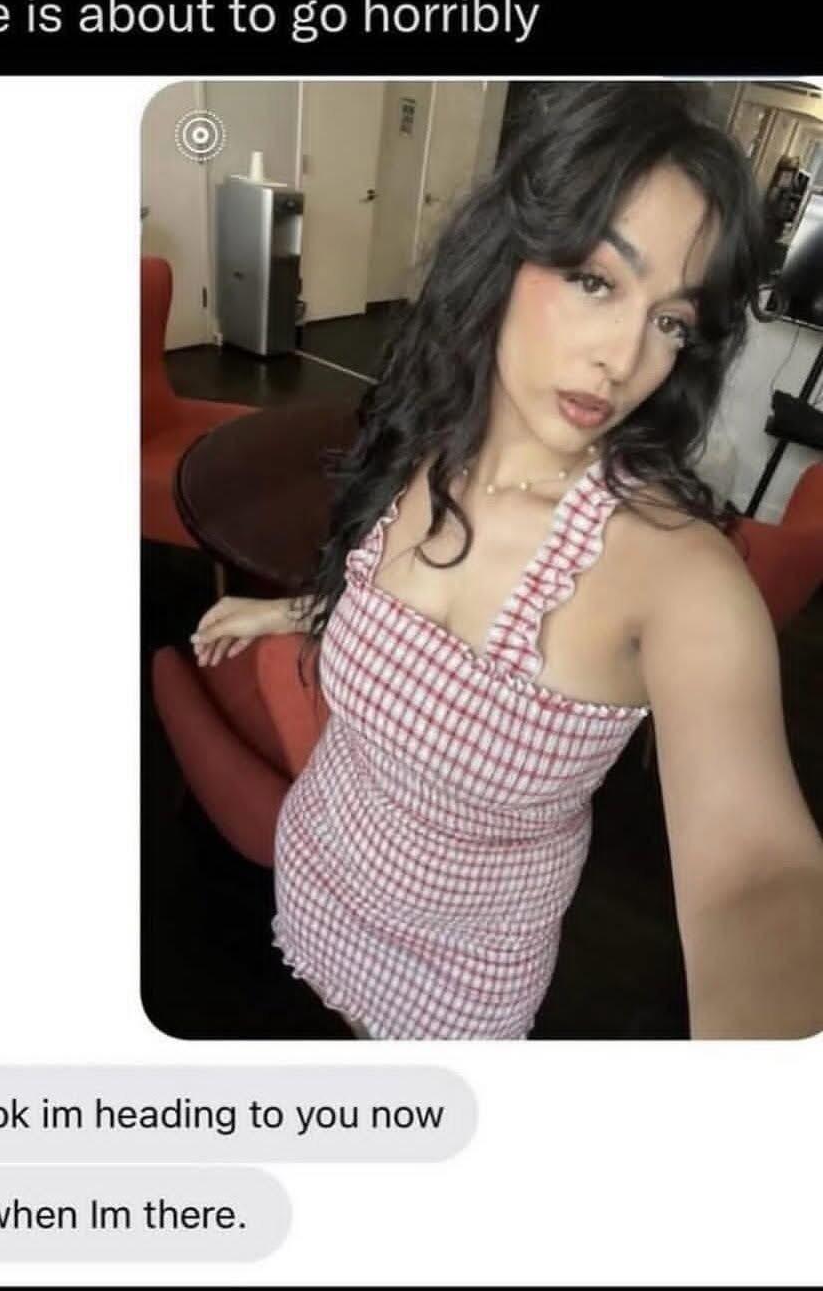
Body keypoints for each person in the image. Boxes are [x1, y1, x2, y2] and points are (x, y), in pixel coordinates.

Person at [189, 82, 823, 1041]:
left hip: (462, 977)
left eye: (672, 321)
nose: (625, 359)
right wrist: (296, 611)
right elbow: (396, 623)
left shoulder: (677, 576)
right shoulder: (424, 441)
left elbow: (756, 872)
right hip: (320, 866)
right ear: (510, 248)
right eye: (598, 280)